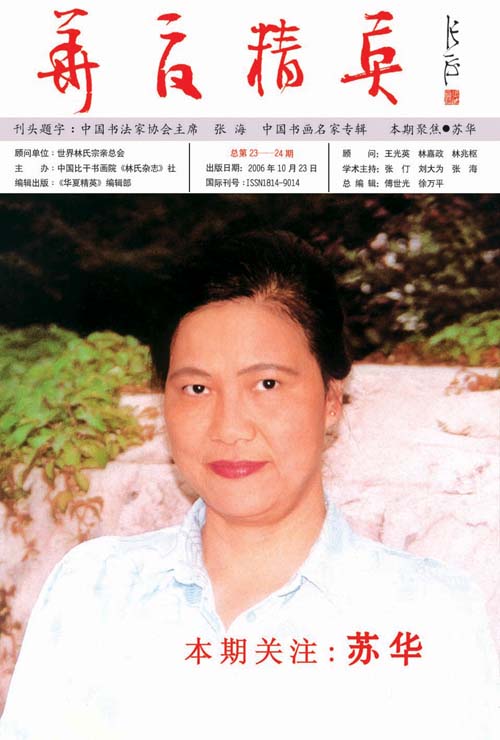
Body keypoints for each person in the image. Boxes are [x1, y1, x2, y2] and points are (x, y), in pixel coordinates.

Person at [0, 230, 497, 739]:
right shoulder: (93, 589)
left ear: (331, 398)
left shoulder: (428, 612)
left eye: (266, 384)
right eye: (197, 388)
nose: (229, 428)